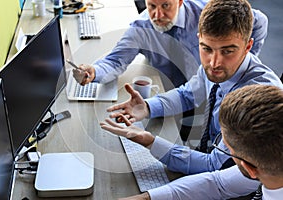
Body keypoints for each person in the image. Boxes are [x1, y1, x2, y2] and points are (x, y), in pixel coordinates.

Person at [99, 0, 283, 197]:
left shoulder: (254, 99)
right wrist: (147, 107)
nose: (214, 62)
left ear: (248, 46)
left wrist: (150, 141)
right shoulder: (218, 68)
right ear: (199, 40)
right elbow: (188, 94)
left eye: (227, 51)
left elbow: (214, 167)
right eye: (206, 49)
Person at [101, 84, 283, 199]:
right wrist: (146, 198)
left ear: (250, 170)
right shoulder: (270, 165)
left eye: (227, 148)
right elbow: (217, 183)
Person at [73, 0, 268, 90]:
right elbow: (115, 62)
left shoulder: (206, 13)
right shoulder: (141, 28)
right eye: (152, 6)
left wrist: (243, 60)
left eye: (165, 5)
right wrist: (93, 72)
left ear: (180, 2)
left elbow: (259, 20)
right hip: (175, 94)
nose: (157, 15)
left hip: (215, 89)